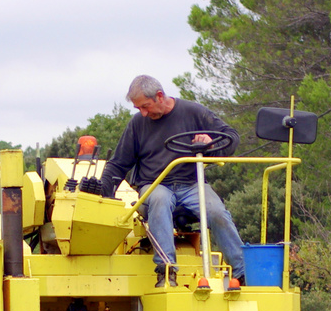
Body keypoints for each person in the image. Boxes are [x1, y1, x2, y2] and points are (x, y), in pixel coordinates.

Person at [100, 75, 246, 287]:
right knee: (159, 199)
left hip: (192, 184)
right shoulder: (138, 124)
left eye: (145, 106)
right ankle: (166, 269)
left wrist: (211, 142)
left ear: (160, 96)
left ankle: (243, 272)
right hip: (155, 184)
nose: (143, 113)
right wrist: (103, 189)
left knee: (216, 211)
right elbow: (119, 163)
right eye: (138, 108)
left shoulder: (194, 112)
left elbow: (231, 137)